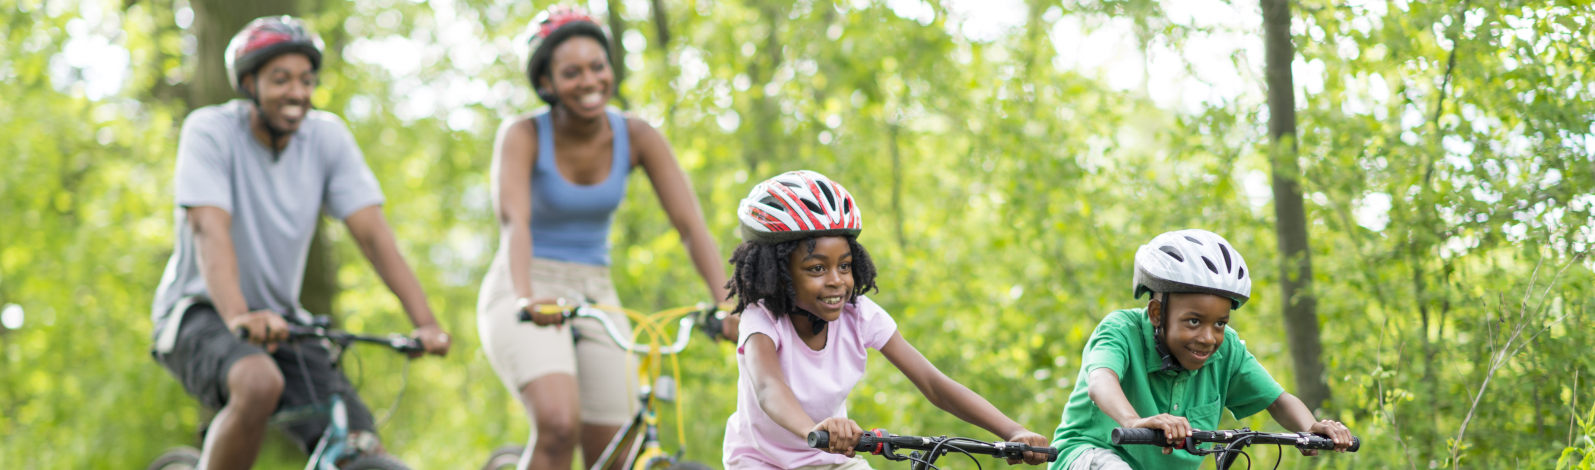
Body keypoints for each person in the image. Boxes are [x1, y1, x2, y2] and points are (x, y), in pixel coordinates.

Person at [148, 15, 451, 469]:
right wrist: (239, 316)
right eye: (281, 79)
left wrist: (425, 322)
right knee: (257, 382)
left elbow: (373, 235)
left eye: (306, 81)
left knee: (357, 442)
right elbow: (210, 232)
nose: (297, 92)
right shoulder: (209, 131)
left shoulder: (326, 138)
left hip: (286, 323)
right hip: (200, 312)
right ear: (249, 83)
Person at [476, 6, 737, 470]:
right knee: (558, 425)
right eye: (571, 72)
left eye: (598, 67)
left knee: (617, 450)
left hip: (597, 290)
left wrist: (727, 304)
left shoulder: (637, 135)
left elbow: (690, 227)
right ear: (547, 83)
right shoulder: (522, 135)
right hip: (525, 282)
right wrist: (526, 296)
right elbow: (514, 222)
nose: (589, 81)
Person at [722, 170, 1052, 470]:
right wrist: (813, 429)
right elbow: (768, 388)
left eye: (845, 265)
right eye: (817, 269)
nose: (837, 280)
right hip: (759, 462)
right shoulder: (761, 319)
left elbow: (934, 384)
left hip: (828, 459)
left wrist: (1013, 430)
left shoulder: (858, 314)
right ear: (778, 275)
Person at [1047, 229, 1354, 470]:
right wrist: (1132, 421)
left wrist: (1310, 427)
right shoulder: (1121, 330)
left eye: (1220, 323)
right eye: (1193, 321)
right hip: (1088, 456)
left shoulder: (1226, 350)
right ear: (1156, 313)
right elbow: (1101, 382)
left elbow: (1277, 400)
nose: (1208, 337)